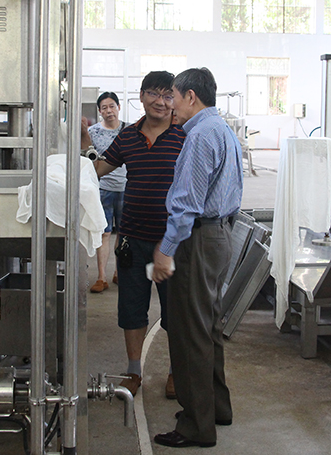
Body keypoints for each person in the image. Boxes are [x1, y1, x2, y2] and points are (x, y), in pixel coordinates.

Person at [151, 67, 244, 448]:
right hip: (219, 235)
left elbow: (187, 202)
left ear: (191, 96)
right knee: (208, 328)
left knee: (190, 333)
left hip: (198, 240)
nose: (169, 105)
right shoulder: (223, 130)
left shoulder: (200, 136)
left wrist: (166, 250)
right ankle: (216, 408)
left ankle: (195, 426)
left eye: (172, 96)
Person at [94, 71, 186, 399]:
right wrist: (68, 172)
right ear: (142, 96)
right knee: (131, 310)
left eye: (167, 95)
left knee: (176, 313)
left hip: (172, 243)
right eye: (153, 94)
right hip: (132, 238)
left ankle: (176, 372)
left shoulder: (185, 135)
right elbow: (100, 168)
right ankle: (134, 371)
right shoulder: (129, 136)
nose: (161, 102)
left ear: (175, 99)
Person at [84, 92, 127, 293]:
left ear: (118, 107)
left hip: (127, 188)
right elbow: (86, 158)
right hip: (102, 189)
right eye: (104, 108)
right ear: (99, 111)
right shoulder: (92, 132)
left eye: (112, 106)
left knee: (124, 233)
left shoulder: (130, 131)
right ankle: (101, 277)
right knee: (104, 232)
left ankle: (119, 272)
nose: (109, 111)